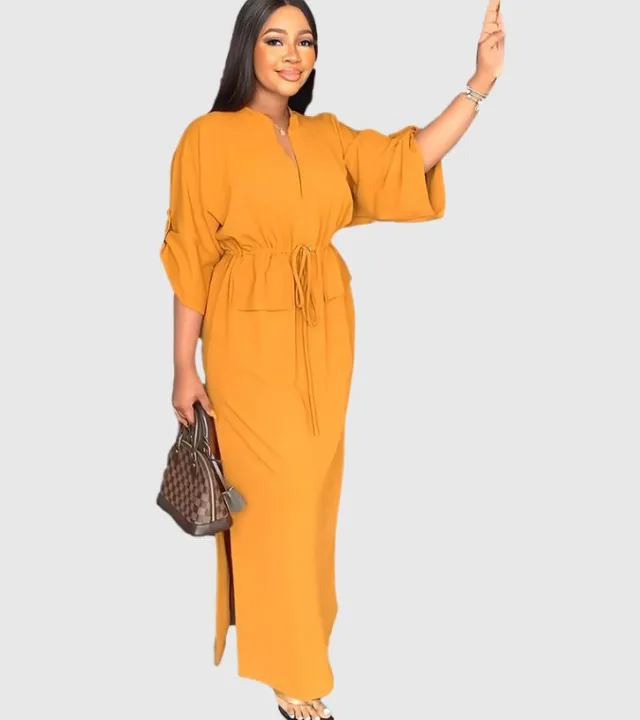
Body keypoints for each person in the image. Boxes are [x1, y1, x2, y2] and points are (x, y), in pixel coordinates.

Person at [159, 0, 505, 717]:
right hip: (247, 339)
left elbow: (407, 160)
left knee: (313, 501)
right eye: (275, 39)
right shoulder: (207, 137)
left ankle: (301, 639)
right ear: (247, 48)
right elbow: (191, 254)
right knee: (276, 501)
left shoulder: (326, 137)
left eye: (305, 41)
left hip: (325, 332)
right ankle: (290, 666)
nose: (292, 54)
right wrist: (184, 366)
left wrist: (479, 83)